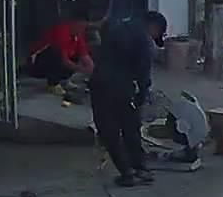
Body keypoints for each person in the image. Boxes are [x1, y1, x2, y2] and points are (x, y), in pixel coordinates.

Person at [89, 10, 167, 187]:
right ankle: (138, 169)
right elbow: (143, 73)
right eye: (156, 35)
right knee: (131, 129)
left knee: (109, 132)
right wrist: (142, 95)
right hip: (123, 88)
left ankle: (128, 172)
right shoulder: (144, 39)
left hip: (101, 84)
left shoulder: (117, 26)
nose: (154, 39)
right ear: (154, 27)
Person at [26, 13, 94, 94]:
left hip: (58, 60)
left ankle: (64, 81)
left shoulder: (77, 35)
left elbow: (85, 56)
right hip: (36, 64)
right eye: (80, 26)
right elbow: (64, 60)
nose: (82, 30)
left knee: (76, 55)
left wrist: (93, 71)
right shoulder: (62, 31)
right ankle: (53, 84)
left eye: (84, 28)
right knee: (56, 54)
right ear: (73, 23)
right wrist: (82, 69)